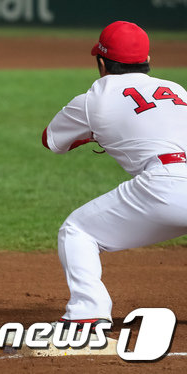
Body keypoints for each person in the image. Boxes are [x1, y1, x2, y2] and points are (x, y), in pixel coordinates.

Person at [42, 21, 187, 329]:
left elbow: (52, 141)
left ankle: (87, 312)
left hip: (165, 185)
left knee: (78, 231)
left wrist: (95, 133)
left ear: (102, 63)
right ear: (147, 61)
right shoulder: (175, 89)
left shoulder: (95, 96)